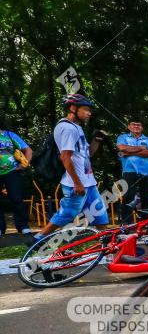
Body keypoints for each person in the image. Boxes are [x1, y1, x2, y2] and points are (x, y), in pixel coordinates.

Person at [36, 94, 110, 240]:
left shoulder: (77, 127)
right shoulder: (67, 128)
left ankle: (108, 246)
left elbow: (88, 154)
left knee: (100, 215)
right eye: (86, 109)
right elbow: (65, 156)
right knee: (67, 213)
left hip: (88, 182)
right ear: (73, 108)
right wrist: (77, 183)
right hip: (76, 183)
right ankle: (38, 238)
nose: (89, 113)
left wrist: (97, 140)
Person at [116, 116, 148, 223]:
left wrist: (128, 152)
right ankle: (127, 225)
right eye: (133, 124)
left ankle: (146, 225)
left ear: (142, 128)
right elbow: (121, 149)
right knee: (127, 198)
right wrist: (141, 149)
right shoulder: (123, 137)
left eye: (138, 125)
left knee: (146, 198)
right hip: (129, 171)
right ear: (129, 126)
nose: (136, 126)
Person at [0, 123, 33, 235]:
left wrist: (25, 164)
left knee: (16, 198)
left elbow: (27, 149)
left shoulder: (9, 135)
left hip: (12, 171)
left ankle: (23, 226)